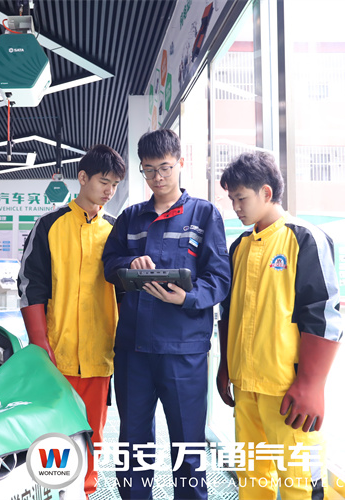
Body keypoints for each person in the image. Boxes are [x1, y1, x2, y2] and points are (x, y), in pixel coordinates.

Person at [102, 129, 230, 499]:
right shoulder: (130, 218)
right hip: (134, 350)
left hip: (183, 350)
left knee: (188, 445)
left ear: (180, 163)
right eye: (149, 170)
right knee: (133, 444)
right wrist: (129, 263)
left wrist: (186, 298)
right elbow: (109, 264)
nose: (157, 177)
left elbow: (219, 278)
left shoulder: (204, 215)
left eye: (165, 168)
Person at [216, 151, 342, 499]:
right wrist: (226, 366)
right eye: (231, 199)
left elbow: (324, 314)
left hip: (289, 391)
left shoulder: (304, 238)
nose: (235, 207)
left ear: (266, 193)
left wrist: (312, 384)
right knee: (252, 479)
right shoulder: (239, 247)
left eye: (241, 198)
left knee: (298, 483)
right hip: (246, 388)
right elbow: (228, 312)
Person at [17, 144, 126, 498]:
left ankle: (87, 491)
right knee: (53, 433)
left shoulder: (116, 231)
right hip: (57, 354)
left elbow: (124, 293)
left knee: (93, 432)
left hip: (99, 357)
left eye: (115, 185)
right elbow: (30, 285)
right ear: (82, 178)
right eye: (104, 182)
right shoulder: (50, 225)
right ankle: (55, 490)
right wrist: (40, 344)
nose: (109, 191)